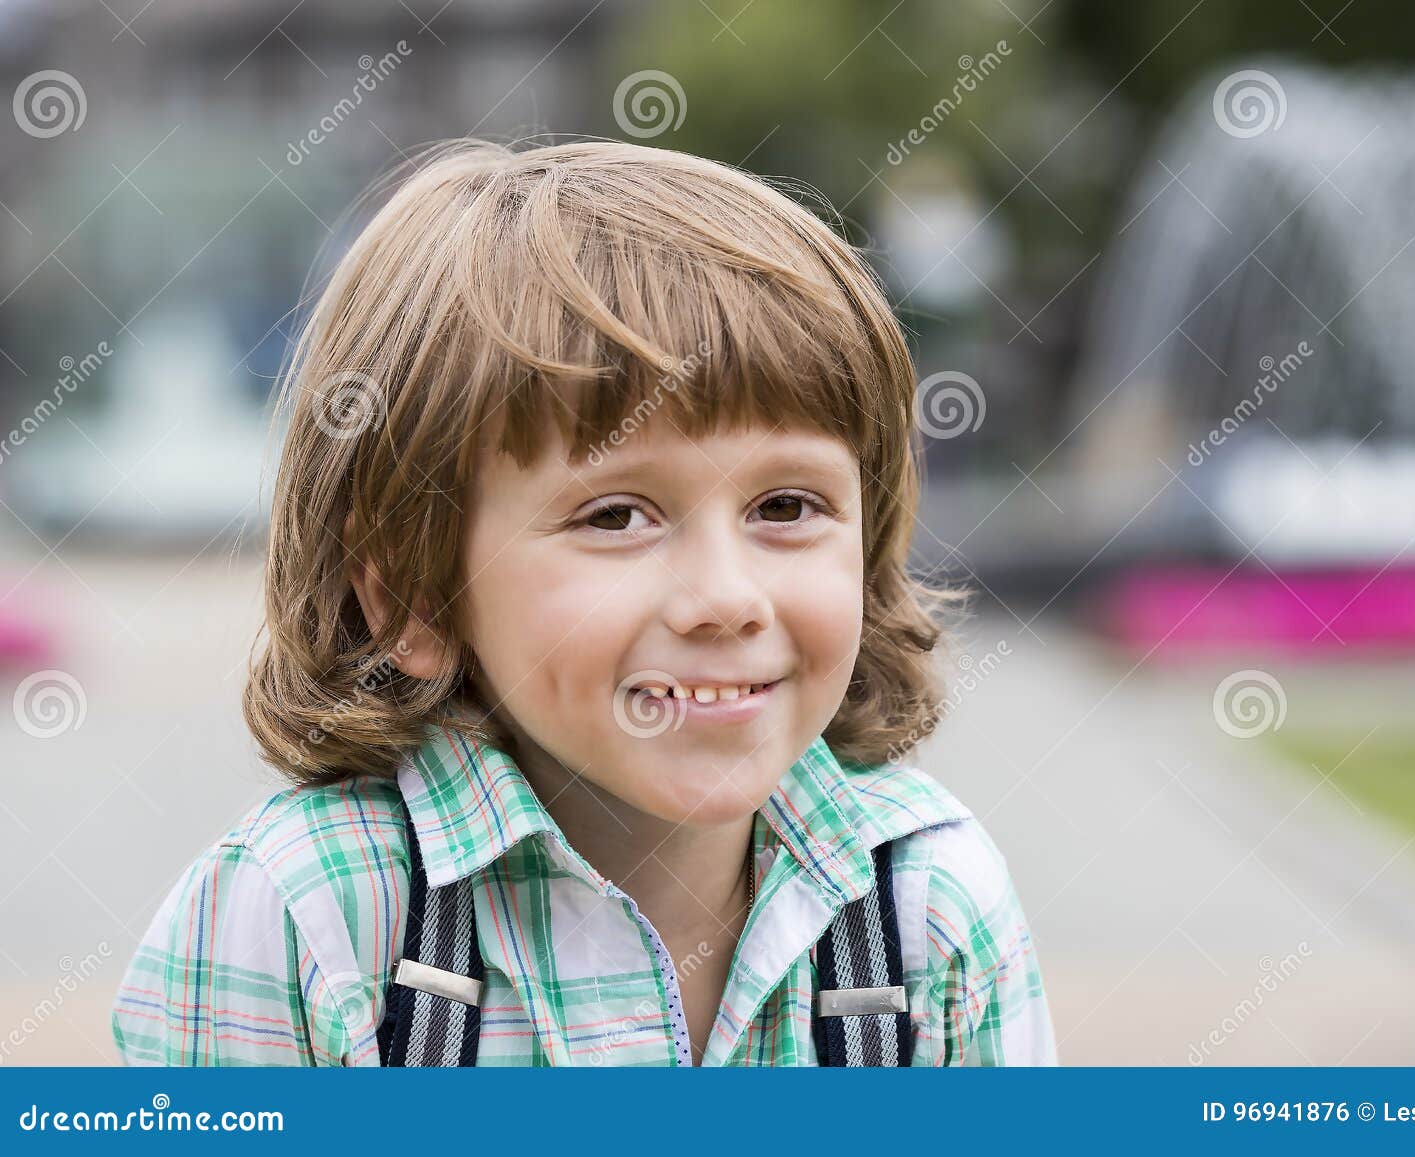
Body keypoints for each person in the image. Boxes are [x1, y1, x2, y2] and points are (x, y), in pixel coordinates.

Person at [110, 138, 1057, 1067]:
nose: (725, 599)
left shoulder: (926, 911)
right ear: (413, 594)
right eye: (616, 515)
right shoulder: (307, 920)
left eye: (786, 505)